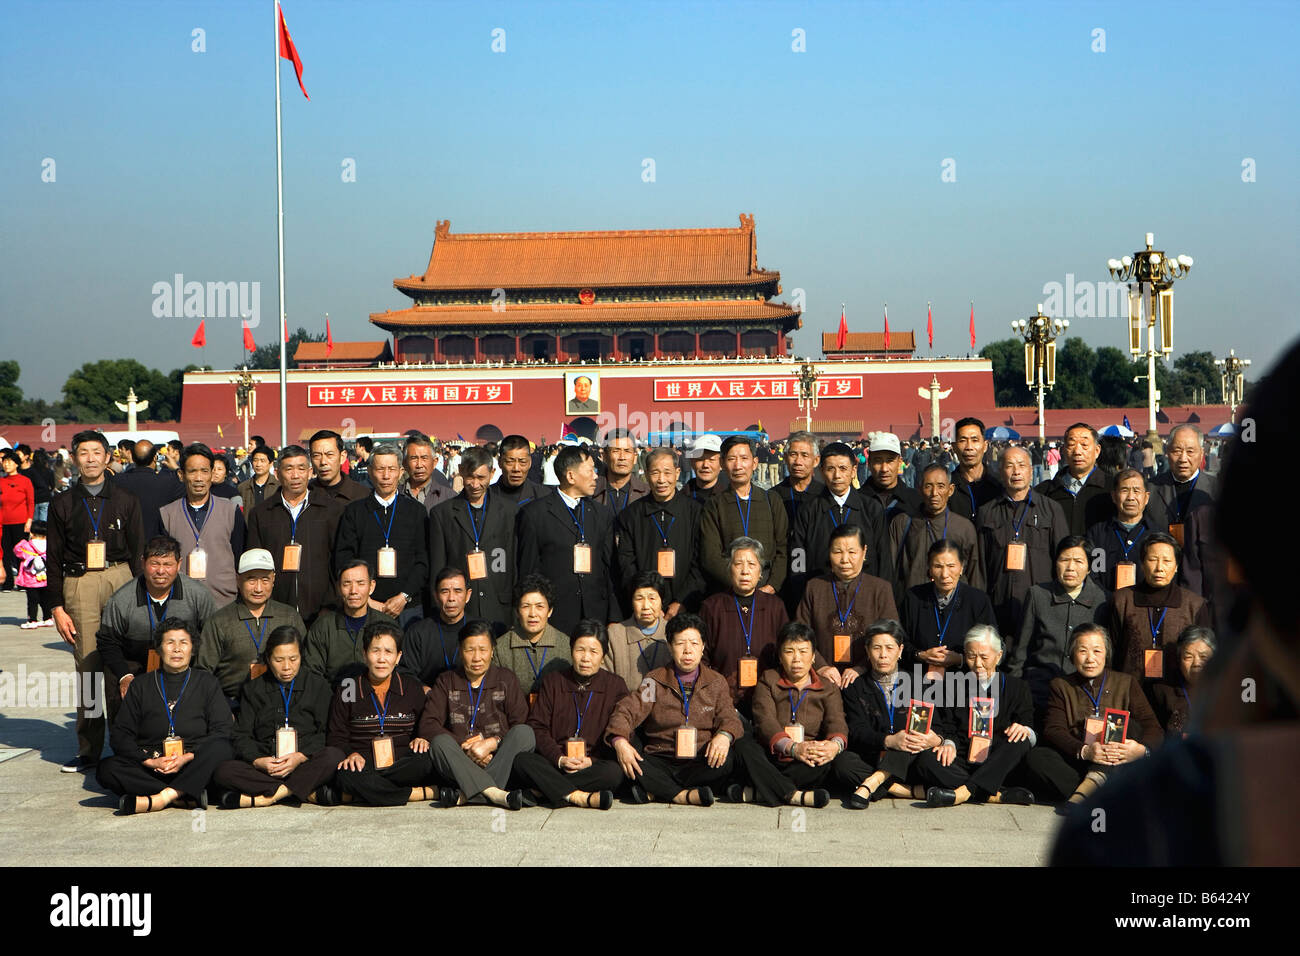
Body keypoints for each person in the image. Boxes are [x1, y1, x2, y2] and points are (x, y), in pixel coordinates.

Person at [48, 430, 145, 773]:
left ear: (108, 457)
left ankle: (124, 745)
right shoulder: (61, 503)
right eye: (83, 453)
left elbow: (138, 550)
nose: (90, 458)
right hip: (80, 583)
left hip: (120, 577)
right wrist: (57, 607)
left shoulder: (125, 499)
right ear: (74, 459)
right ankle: (89, 748)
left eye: (96, 452)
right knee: (88, 668)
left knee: (121, 667)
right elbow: (53, 557)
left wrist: (141, 595)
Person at [604, 613, 745, 806]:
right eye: (680, 644)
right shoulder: (655, 681)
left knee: (727, 760)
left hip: (699, 758)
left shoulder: (716, 682)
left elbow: (729, 717)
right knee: (631, 761)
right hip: (662, 757)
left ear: (703, 647)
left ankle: (658, 791)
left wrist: (724, 736)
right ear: (670, 647)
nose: (688, 651)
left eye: (694, 644)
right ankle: (683, 795)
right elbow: (628, 710)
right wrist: (620, 742)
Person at [96, 619, 233, 814]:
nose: (177, 649)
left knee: (223, 747)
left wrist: (186, 757)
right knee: (107, 768)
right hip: (153, 766)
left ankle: (162, 797)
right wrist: (149, 762)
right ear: (159, 649)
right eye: (170, 643)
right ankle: (185, 795)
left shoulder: (207, 682)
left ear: (192, 649)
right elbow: (120, 735)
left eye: (183, 643)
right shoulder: (141, 685)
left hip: (193, 763)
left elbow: (223, 729)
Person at [1021, 622, 1162, 804]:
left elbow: (1153, 726)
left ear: (1106, 654)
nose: (1090, 659)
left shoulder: (1127, 683)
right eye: (1083, 651)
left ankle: (1088, 791)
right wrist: (1085, 751)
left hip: (1119, 760)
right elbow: (1053, 729)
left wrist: (1141, 750)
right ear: (1072, 655)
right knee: (1037, 758)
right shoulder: (1061, 685)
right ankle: (1103, 795)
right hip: (1080, 758)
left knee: (1132, 727)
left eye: (1097, 651)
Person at [745, 621, 875, 808]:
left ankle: (765, 790)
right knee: (746, 747)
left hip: (811, 762)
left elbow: (837, 722)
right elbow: (765, 721)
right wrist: (793, 748)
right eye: (789, 652)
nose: (796, 659)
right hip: (776, 759)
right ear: (780, 657)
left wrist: (833, 746)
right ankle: (792, 795)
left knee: (846, 762)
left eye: (803, 651)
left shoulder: (827, 686)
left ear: (813, 656)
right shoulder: (769, 679)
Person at [212, 625, 344, 807]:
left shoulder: (317, 685)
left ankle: (272, 796)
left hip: (304, 764)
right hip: (269, 765)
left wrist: (300, 756)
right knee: (224, 771)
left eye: (293, 659)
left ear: (301, 657)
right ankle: (305, 792)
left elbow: (326, 732)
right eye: (279, 660)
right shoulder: (254, 689)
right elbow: (241, 735)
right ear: (268, 659)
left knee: (333, 756)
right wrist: (259, 761)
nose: (287, 667)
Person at [512, 621, 630, 809]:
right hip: (555, 761)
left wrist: (591, 761)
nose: (585, 658)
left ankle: (544, 790)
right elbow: (537, 726)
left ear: (603, 656)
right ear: (571, 650)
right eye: (580, 650)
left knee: (614, 773)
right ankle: (579, 797)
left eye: (593, 652)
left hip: (592, 764)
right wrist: (559, 758)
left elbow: (620, 727)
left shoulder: (615, 686)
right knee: (522, 761)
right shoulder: (554, 681)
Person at [98, 535, 217, 720]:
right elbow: (107, 641)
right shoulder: (121, 599)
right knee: (114, 675)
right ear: (143, 562)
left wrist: (199, 675)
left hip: (185, 664)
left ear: (179, 564)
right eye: (154, 564)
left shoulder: (198, 595)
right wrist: (124, 676)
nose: (161, 571)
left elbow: (211, 636)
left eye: (167, 564)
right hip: (136, 665)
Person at [916, 625, 1037, 807]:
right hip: (963, 759)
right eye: (971, 656)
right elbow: (948, 726)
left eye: (984, 657)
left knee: (1021, 739)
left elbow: (1028, 724)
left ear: (999, 656)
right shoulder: (954, 685)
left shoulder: (1017, 687)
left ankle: (963, 793)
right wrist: (948, 743)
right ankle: (995, 794)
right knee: (926, 759)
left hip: (997, 760)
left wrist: (1024, 729)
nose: (978, 664)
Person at [418, 620, 534, 809]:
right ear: (460, 650)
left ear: (492, 651)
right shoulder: (446, 681)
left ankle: (467, 795)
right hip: (461, 760)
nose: (477, 657)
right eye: (470, 650)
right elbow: (428, 724)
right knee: (440, 743)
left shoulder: (506, 679)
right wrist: (464, 746)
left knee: (525, 732)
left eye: (483, 649)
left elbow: (520, 721)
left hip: (499, 758)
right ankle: (496, 794)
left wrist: (493, 743)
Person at [321, 621, 438, 807]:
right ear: (364, 654)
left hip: (402, 764)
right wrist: (350, 754)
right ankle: (415, 794)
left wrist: (422, 738)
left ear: (398, 657)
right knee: (346, 774)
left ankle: (369, 792)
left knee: (425, 761)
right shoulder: (348, 687)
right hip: (363, 764)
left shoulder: (412, 687)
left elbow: (426, 724)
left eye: (388, 652)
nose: (381, 659)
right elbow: (336, 735)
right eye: (375, 651)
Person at [700, 538, 822, 711]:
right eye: (738, 564)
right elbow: (702, 657)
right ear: (729, 569)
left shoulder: (775, 606)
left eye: (751, 564)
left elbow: (787, 650)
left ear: (761, 573)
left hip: (769, 698)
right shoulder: (712, 607)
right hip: (722, 699)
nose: (745, 571)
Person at [516, 443, 617, 636]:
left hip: (595, 615)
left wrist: (613, 616)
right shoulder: (535, 514)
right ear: (571, 476)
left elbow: (609, 569)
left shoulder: (601, 515)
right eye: (590, 471)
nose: (596, 476)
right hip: (555, 616)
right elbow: (528, 571)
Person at [1009, 535, 1111, 724]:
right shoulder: (1038, 595)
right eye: (1064, 560)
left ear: (1089, 567)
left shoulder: (1103, 600)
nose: (1071, 567)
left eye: (1079, 561)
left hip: (1082, 692)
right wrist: (1015, 693)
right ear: (1055, 563)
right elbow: (1020, 651)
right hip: (1039, 687)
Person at [244, 444, 344, 626]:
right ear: (277, 473)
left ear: (310, 472)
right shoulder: (262, 513)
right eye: (289, 469)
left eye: (301, 468)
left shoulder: (331, 510)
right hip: (276, 610)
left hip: (323, 611)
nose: (296, 475)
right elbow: (256, 563)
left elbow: (339, 561)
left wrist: (330, 603)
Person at [977, 444, 1069, 640]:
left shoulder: (1051, 510)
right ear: (1000, 471)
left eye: (1022, 465)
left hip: (1040, 605)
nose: (1016, 471)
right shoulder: (987, 512)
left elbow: (1063, 558)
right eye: (1009, 465)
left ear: (1030, 469)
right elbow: (980, 565)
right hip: (999, 605)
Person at [333, 443, 429, 627]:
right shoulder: (354, 512)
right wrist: (366, 600)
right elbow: (344, 558)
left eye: (391, 469)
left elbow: (423, 561)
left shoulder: (416, 511)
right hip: (364, 605)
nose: (386, 476)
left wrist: (404, 597)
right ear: (370, 471)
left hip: (408, 607)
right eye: (380, 469)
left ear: (401, 472)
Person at [841, 621, 937, 803]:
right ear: (867, 651)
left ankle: (871, 784)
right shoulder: (855, 686)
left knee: (912, 743)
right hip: (873, 755)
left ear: (900, 651)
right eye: (876, 648)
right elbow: (856, 730)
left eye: (889, 648)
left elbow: (937, 725)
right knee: (842, 763)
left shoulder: (918, 683)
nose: (883, 655)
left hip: (911, 757)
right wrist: (889, 740)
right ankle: (906, 791)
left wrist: (936, 739)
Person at [197, 549, 307, 705]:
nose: (258, 588)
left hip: (284, 702)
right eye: (251, 580)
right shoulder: (219, 621)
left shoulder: (289, 617)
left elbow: (305, 664)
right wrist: (221, 708)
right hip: (234, 704)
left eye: (265, 580)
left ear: (273, 579)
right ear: (238, 580)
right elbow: (203, 672)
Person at [787, 442, 888, 605]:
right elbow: (798, 557)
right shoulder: (808, 510)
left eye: (843, 468)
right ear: (821, 471)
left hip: (865, 598)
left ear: (854, 471)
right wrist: (803, 596)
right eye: (830, 469)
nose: (837, 476)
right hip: (820, 598)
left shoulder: (871, 509)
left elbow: (884, 559)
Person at [428, 445, 516, 632]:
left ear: (492, 473)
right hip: (460, 608)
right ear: (460, 471)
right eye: (470, 477)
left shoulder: (510, 512)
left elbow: (514, 561)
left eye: (481, 478)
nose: (475, 484)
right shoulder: (442, 513)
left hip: (499, 605)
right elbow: (438, 566)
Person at [796, 524, 898, 684]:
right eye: (837, 552)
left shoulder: (880, 588)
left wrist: (861, 668)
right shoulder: (814, 587)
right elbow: (800, 634)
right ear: (829, 552)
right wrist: (821, 666)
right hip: (823, 678)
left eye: (852, 552)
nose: (845, 560)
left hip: (868, 677)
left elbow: (892, 637)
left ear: (864, 552)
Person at [1110, 532, 1211, 687]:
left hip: (1178, 696)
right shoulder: (1122, 600)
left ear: (1177, 566)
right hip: (1131, 693)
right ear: (1142, 564)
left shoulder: (1194, 605)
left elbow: (1206, 656)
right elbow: (1110, 653)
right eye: (1152, 560)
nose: (1159, 568)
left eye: (1167, 561)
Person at [615, 447, 704, 615]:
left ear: (677, 473)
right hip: (645, 609)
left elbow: (700, 562)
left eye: (667, 472)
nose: (661, 480)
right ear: (647, 475)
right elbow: (626, 565)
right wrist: (647, 601)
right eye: (655, 473)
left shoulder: (695, 512)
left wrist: (682, 601)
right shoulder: (631, 515)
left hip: (686, 607)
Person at [699, 436, 789, 595]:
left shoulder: (772, 500)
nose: (738, 465)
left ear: (754, 463)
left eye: (744, 458)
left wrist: (773, 585)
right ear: (722, 464)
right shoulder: (714, 505)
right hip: (728, 589)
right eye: (731, 459)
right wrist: (740, 584)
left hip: (767, 590)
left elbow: (783, 547)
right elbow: (710, 556)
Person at [159, 443, 245, 604]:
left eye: (204, 471)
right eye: (192, 471)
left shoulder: (230, 511)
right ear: (181, 475)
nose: (199, 478)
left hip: (224, 600)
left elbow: (240, 554)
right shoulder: (167, 514)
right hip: (181, 601)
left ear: (212, 474)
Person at [888, 462, 984, 604]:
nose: (934, 493)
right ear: (919, 489)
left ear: (950, 490)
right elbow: (891, 570)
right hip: (913, 604)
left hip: (953, 607)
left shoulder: (964, 528)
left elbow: (974, 575)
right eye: (928, 486)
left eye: (941, 486)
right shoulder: (903, 523)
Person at [899, 540, 996, 676]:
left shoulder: (978, 600)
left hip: (964, 681)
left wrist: (961, 659)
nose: (945, 574)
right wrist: (920, 655)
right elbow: (900, 640)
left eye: (951, 566)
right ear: (930, 569)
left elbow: (992, 648)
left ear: (961, 567)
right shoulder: (913, 598)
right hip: (918, 679)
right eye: (938, 566)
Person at [304, 560, 397, 687]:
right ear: (338, 587)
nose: (353, 590)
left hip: (377, 697)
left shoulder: (387, 625)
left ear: (371, 586)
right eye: (347, 584)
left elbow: (398, 670)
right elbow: (312, 674)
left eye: (360, 583)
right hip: (333, 697)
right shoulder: (323, 626)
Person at [1084, 468, 1166, 591]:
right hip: (1104, 605)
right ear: (1114, 496)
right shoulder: (1097, 533)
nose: (1130, 497)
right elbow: (1092, 575)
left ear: (1146, 497)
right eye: (1124, 490)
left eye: (1136, 491)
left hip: (1145, 605)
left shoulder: (1158, 535)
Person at [1034, 423, 1113, 536]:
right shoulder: (1044, 492)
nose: (1077, 451)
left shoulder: (1112, 488)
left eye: (1084, 445)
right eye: (1071, 445)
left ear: (1097, 451)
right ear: (1064, 450)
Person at [604, 570, 674, 689]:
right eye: (639, 598)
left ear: (662, 601)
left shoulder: (674, 633)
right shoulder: (614, 634)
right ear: (631, 602)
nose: (646, 606)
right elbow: (605, 680)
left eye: (652, 598)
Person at [108, 441, 182, 543]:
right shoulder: (168, 482)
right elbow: (188, 485)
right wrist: (176, 468)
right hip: (157, 545)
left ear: (133, 458)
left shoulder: (118, 480)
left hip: (127, 544)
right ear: (155, 458)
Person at [1149, 625, 1214, 737]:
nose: (1196, 664)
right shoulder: (1162, 691)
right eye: (1188, 657)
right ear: (1179, 661)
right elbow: (1153, 733)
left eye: (1204, 657)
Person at [949, 418, 1003, 521]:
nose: (969, 447)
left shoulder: (1000, 485)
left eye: (975, 440)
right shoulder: (946, 488)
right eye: (963, 440)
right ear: (954, 447)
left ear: (985, 446)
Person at [863, 432, 922, 526]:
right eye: (878, 461)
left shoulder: (916, 501)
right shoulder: (857, 502)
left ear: (899, 462)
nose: (884, 469)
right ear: (869, 463)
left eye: (890, 461)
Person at [771, 431, 822, 527]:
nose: (798, 461)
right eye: (793, 454)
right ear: (785, 458)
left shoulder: (824, 495)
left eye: (804, 455)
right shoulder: (773, 496)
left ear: (816, 461)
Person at [592, 429, 648, 516]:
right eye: (616, 451)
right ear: (604, 456)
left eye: (627, 451)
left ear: (635, 457)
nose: (622, 457)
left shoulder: (646, 494)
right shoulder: (590, 492)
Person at [0, 450, 35, 590]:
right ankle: (8, 582)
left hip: (21, 522)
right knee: (5, 553)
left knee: (22, 554)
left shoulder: (25, 481)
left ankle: (23, 582)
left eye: (9, 461)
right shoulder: (1, 481)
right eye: (4, 461)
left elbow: (31, 502)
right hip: (3, 523)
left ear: (16, 464)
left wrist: (29, 520)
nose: (6, 464)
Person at [308, 430, 368, 504]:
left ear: (342, 457)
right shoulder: (304, 495)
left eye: (329, 455)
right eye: (316, 456)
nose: (323, 462)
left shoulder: (363, 495)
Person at [491, 435, 551, 507]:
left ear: (530, 463)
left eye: (522, 462)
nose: (516, 469)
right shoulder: (487, 496)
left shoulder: (544, 496)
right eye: (510, 462)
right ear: (500, 462)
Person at [14, 519, 54, 627]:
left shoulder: (26, 546)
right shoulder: (49, 545)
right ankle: (48, 618)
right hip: (46, 579)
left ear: (31, 533)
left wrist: (24, 540)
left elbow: (17, 551)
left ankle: (32, 620)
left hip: (31, 580)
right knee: (46, 600)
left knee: (32, 601)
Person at [400, 434, 455, 510]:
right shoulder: (393, 496)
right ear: (404, 464)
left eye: (424, 458)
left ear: (434, 462)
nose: (419, 465)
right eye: (414, 458)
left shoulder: (450, 498)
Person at [683, 434, 729, 503]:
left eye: (711, 460)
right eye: (700, 459)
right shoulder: (682, 497)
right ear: (692, 462)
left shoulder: (731, 497)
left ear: (722, 464)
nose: (705, 465)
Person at [237, 446, 279, 513]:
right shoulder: (243, 487)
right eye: (255, 460)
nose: (258, 464)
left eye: (262, 461)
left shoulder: (279, 487)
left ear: (271, 464)